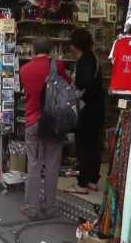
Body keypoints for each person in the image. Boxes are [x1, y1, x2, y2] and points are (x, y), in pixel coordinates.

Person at [19, 37, 71, 221]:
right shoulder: (58, 65)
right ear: (50, 50)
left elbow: (26, 91)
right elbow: (67, 86)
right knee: (52, 165)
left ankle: (32, 208)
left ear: (33, 50)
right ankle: (49, 207)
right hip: (54, 122)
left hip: (33, 120)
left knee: (33, 164)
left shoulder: (24, 69)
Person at [66, 28, 105, 195]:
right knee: (94, 145)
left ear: (76, 45)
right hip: (97, 108)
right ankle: (92, 180)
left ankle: (81, 183)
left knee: (83, 146)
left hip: (87, 109)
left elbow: (84, 83)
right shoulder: (94, 59)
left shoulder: (84, 61)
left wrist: (76, 89)